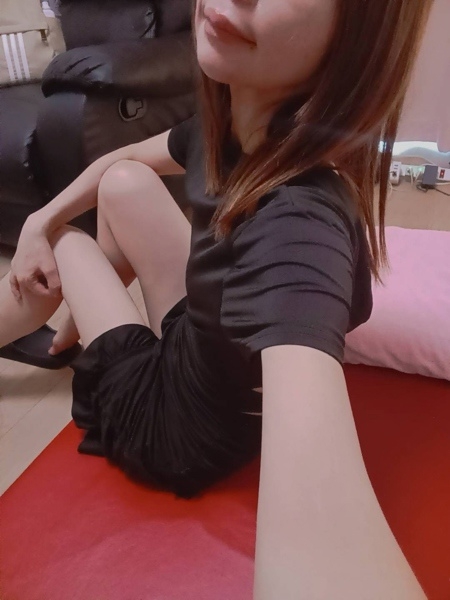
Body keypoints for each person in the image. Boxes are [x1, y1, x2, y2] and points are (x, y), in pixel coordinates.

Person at [0, 0, 434, 597]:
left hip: (176, 430)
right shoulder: (230, 127)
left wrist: (46, 230)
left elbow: (326, 552)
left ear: (358, 33)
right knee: (124, 183)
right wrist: (37, 217)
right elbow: (119, 159)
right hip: (200, 353)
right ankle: (81, 318)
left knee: (63, 245)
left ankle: (58, 321)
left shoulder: (299, 224)